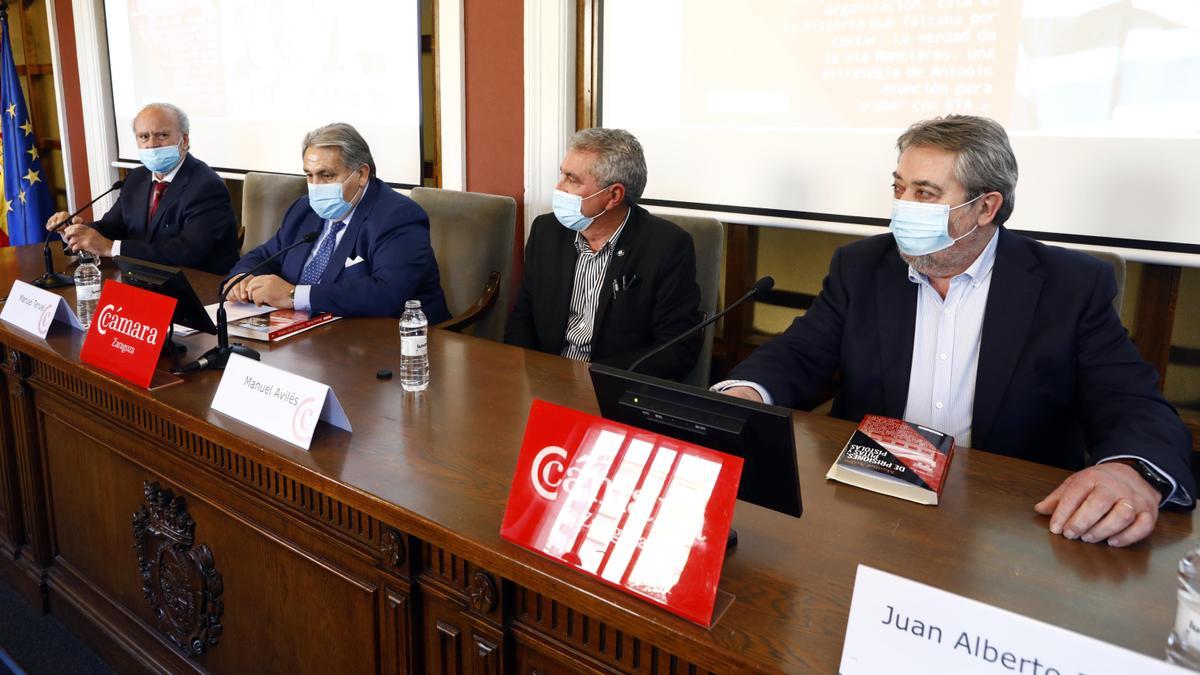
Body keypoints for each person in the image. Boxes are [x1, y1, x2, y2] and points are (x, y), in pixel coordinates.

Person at [716, 115, 1194, 546]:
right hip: (871, 500)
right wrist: (743, 396)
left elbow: (1129, 398)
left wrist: (1129, 470)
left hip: (1009, 523)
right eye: (899, 188)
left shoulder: (1069, 285)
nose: (902, 207)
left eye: (925, 193)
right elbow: (800, 352)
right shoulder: (862, 266)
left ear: (986, 208)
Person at [504, 128, 701, 380]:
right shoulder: (546, 231)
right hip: (544, 381)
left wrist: (591, 382)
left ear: (613, 196)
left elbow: (675, 349)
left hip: (611, 388)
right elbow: (523, 316)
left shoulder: (667, 247)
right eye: (562, 174)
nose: (558, 187)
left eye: (572, 179)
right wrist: (530, 375)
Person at [226, 122, 449, 321]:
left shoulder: (398, 216)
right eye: (309, 175)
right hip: (307, 335)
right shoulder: (303, 209)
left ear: (361, 174)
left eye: (327, 175)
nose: (315, 186)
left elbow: (388, 293)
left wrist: (293, 295)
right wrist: (242, 278)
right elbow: (266, 255)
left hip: (392, 342)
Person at [46, 102, 239, 275]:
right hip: (146, 279)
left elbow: (186, 252)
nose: (152, 144)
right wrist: (73, 231)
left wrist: (109, 248)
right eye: (144, 136)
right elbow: (112, 227)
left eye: (162, 135)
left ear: (185, 140)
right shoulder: (137, 178)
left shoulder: (206, 186)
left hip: (199, 286)